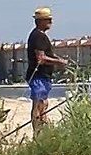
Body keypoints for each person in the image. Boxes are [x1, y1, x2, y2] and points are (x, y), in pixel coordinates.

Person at [26, 7, 67, 135]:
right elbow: (41, 58)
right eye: (48, 19)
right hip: (38, 76)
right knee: (38, 105)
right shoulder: (38, 36)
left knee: (43, 104)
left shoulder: (40, 36)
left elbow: (45, 55)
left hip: (44, 76)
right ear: (40, 21)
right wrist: (58, 62)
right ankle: (38, 134)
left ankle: (42, 131)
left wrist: (57, 59)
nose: (51, 21)